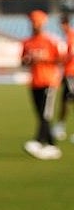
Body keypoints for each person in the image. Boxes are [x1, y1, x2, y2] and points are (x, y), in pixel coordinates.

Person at [21, 9, 62, 160]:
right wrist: (28, 60)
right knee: (41, 114)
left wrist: (44, 59)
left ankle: (38, 141)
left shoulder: (51, 41)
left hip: (49, 82)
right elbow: (22, 61)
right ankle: (52, 145)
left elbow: (61, 59)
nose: (34, 25)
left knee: (45, 114)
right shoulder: (27, 42)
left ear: (42, 24)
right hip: (35, 82)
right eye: (32, 22)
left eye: (37, 23)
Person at [55, 13, 73, 141]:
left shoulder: (71, 37)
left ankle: (60, 127)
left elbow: (70, 55)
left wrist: (59, 60)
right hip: (67, 74)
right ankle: (60, 126)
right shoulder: (66, 37)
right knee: (64, 101)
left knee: (68, 100)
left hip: (72, 73)